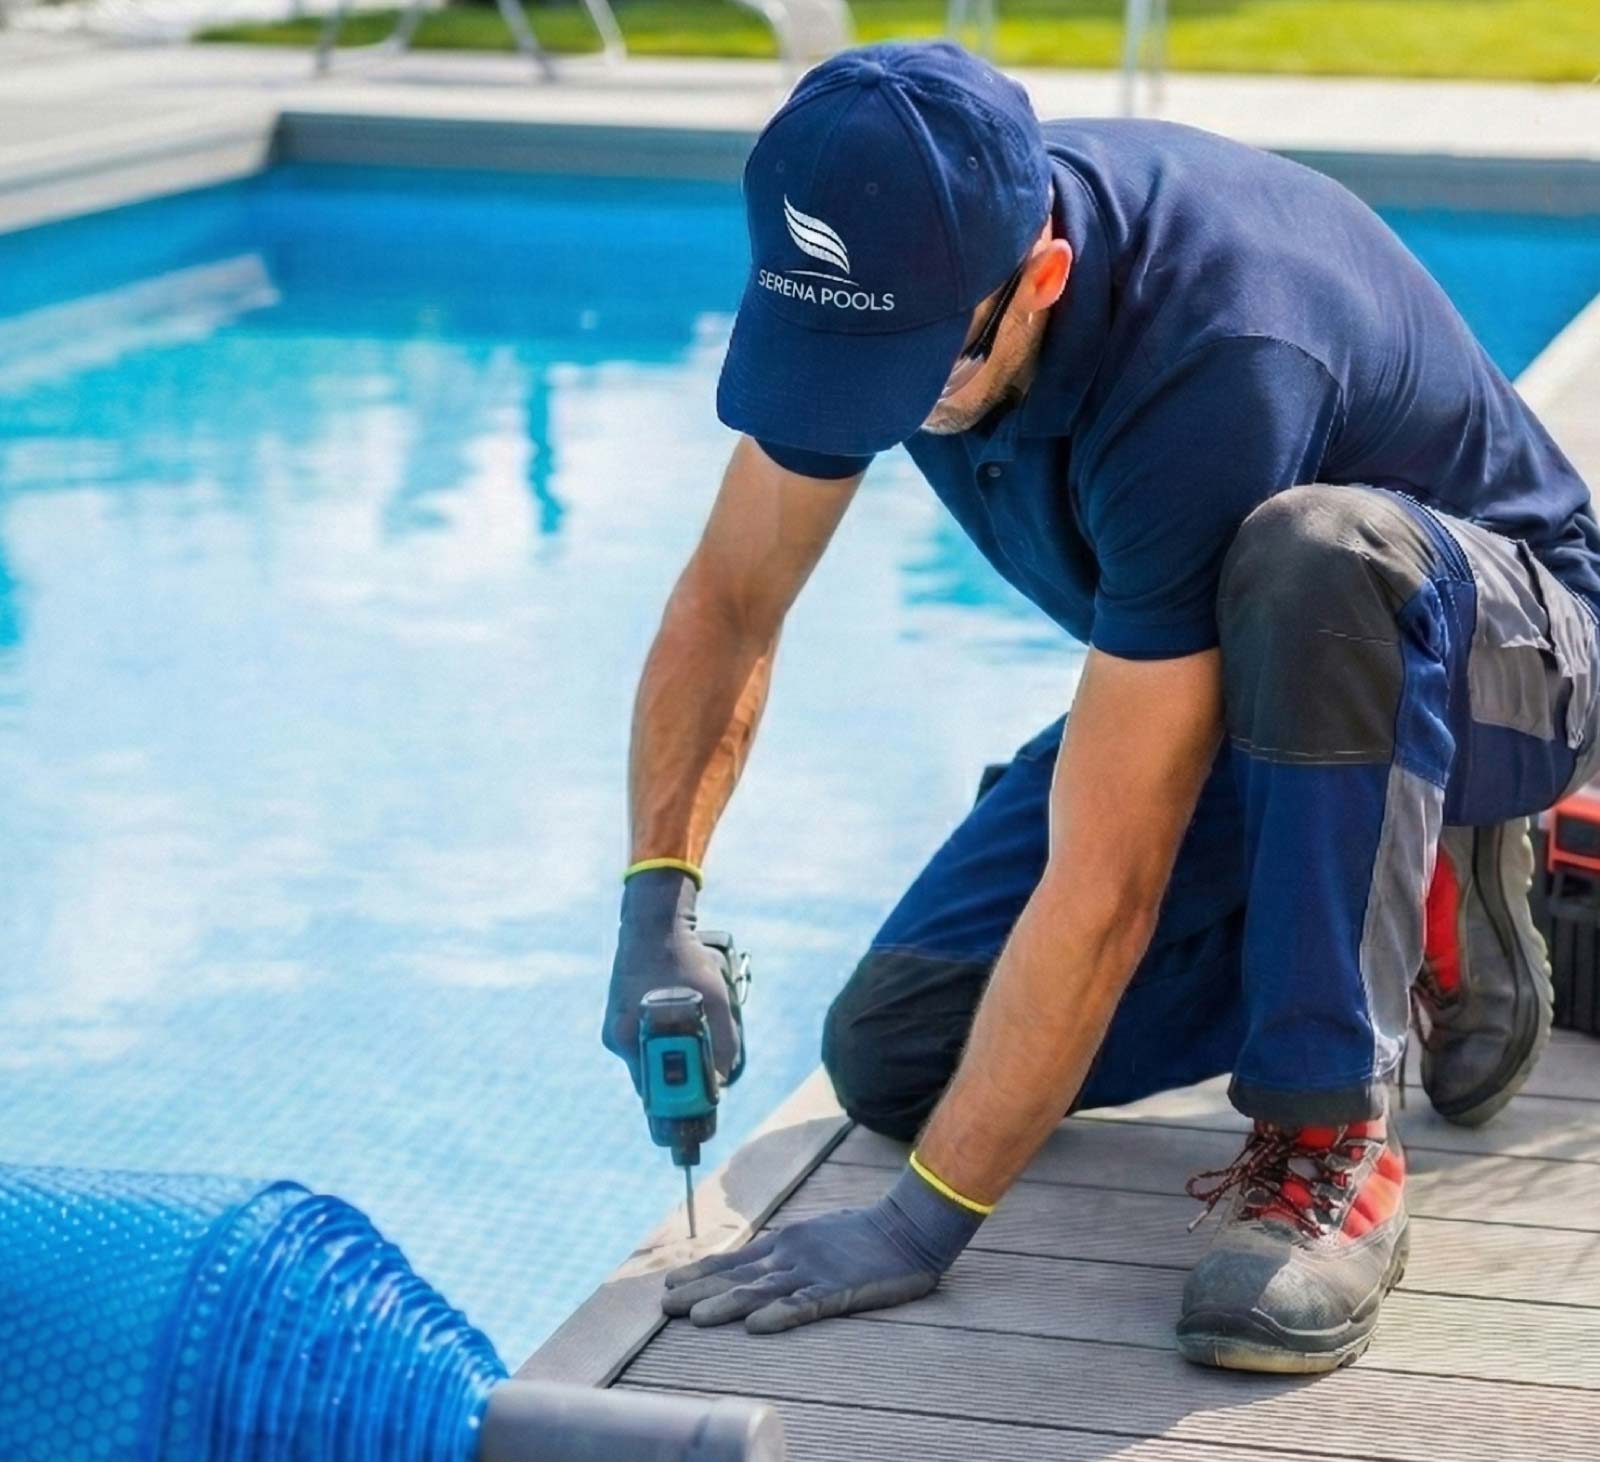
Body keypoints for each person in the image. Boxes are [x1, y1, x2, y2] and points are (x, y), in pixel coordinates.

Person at [603, 41, 1600, 1373]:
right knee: (902, 1053)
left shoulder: (1215, 351)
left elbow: (1112, 875)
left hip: (1501, 657)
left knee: (1316, 556)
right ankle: (1405, 898)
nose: (884, 412)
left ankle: (1332, 1135)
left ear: (1044, 282)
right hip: (1269, 699)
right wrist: (654, 901)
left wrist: (921, 1227)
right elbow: (731, 599)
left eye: (915, 374)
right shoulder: (896, 263)